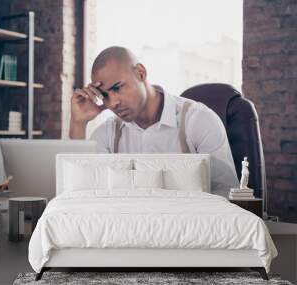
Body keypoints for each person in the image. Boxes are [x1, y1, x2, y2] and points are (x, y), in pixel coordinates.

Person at [69, 46, 238, 197]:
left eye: (117, 88)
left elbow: (226, 193)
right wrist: (78, 123)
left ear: (141, 73)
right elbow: (81, 193)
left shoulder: (199, 121)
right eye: (104, 95)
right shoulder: (108, 134)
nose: (112, 103)